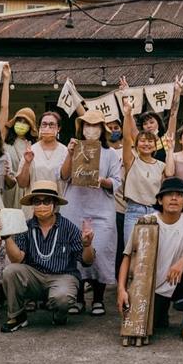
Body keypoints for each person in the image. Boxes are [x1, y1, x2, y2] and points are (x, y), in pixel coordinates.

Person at [117, 177, 183, 342]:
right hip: (151, 289)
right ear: (160, 199)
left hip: (177, 280)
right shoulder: (146, 221)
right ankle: (161, 311)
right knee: (148, 326)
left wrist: (182, 261)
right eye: (169, 195)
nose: (174, 198)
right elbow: (127, 257)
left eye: (179, 195)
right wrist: (121, 290)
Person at [0, 181, 95, 332]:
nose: (41, 205)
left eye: (47, 201)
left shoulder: (68, 227)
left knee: (62, 297)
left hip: (63, 276)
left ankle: (59, 313)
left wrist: (87, 245)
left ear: (55, 204)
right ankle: (17, 316)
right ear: (32, 204)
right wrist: (7, 238)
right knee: (10, 271)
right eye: (37, 201)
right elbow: (17, 259)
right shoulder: (26, 227)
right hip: (35, 276)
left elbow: (87, 262)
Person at [60, 109, 122, 317]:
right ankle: (77, 299)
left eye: (95, 126)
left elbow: (117, 181)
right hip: (75, 207)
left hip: (102, 210)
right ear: (81, 128)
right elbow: (63, 175)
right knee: (74, 251)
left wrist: (103, 181)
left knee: (100, 250)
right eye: (87, 125)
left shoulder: (111, 153)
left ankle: (98, 298)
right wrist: (70, 154)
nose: (91, 129)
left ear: (102, 129)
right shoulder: (74, 147)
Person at [120, 99, 169, 246]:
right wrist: (128, 114)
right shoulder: (131, 160)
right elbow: (127, 138)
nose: (146, 144)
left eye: (150, 142)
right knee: (131, 251)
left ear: (155, 146)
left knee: (151, 253)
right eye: (142, 141)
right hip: (134, 210)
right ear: (137, 144)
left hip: (155, 212)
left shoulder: (161, 165)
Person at [16, 110, 69, 197]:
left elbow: (66, 177)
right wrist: (27, 163)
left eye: (51, 125)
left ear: (58, 128)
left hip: (57, 202)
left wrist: (70, 154)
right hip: (34, 203)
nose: (47, 127)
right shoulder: (31, 150)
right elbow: (22, 184)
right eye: (44, 124)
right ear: (39, 127)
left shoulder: (65, 152)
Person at [2, 106, 37, 209]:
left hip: (26, 190)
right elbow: (4, 107)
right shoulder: (5, 144)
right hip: (8, 189)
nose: (21, 124)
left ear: (30, 126)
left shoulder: (33, 146)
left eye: (25, 122)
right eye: (19, 121)